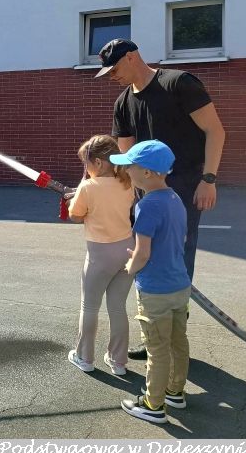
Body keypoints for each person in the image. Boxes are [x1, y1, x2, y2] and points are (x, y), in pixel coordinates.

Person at [95, 39, 225, 359]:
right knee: (148, 258)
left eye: (115, 69)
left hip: (185, 190)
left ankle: (174, 333)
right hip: (146, 195)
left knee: (178, 258)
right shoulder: (123, 103)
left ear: (131, 57)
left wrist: (208, 179)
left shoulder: (179, 84)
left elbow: (215, 131)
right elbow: (125, 155)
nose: (112, 77)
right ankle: (156, 334)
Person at [111, 140, 191, 424]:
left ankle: (153, 405)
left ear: (146, 172)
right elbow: (178, 239)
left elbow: (143, 253)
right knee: (178, 342)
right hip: (180, 285)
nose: (126, 171)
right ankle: (175, 392)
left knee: (157, 349)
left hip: (155, 290)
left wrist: (129, 267)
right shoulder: (175, 199)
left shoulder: (147, 205)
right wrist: (143, 255)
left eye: (130, 166)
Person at [65, 135, 137, 376]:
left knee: (89, 307)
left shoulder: (88, 187)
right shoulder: (127, 182)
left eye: (86, 163)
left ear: (98, 162)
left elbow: (76, 215)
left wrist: (75, 200)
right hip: (127, 250)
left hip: (100, 254)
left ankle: (84, 357)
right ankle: (118, 361)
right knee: (117, 307)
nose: (85, 169)